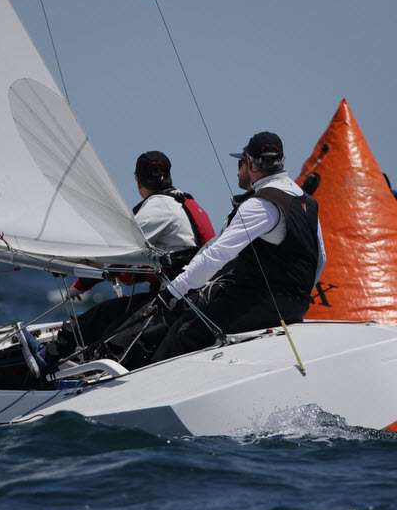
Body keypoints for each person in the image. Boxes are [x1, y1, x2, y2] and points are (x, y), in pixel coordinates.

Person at [149, 131, 326, 362]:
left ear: (251, 164)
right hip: (298, 304)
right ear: (282, 161)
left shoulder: (261, 203)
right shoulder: (308, 202)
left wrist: (173, 292)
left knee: (185, 332)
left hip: (263, 301)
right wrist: (298, 298)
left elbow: (218, 254)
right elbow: (321, 258)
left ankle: (156, 384)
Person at [50, 151, 215, 365]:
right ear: (168, 176)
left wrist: (81, 284)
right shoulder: (183, 201)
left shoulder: (158, 207)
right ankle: (63, 349)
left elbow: (117, 255)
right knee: (106, 314)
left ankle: (59, 357)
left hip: (179, 302)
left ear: (137, 181)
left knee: (109, 335)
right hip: (189, 298)